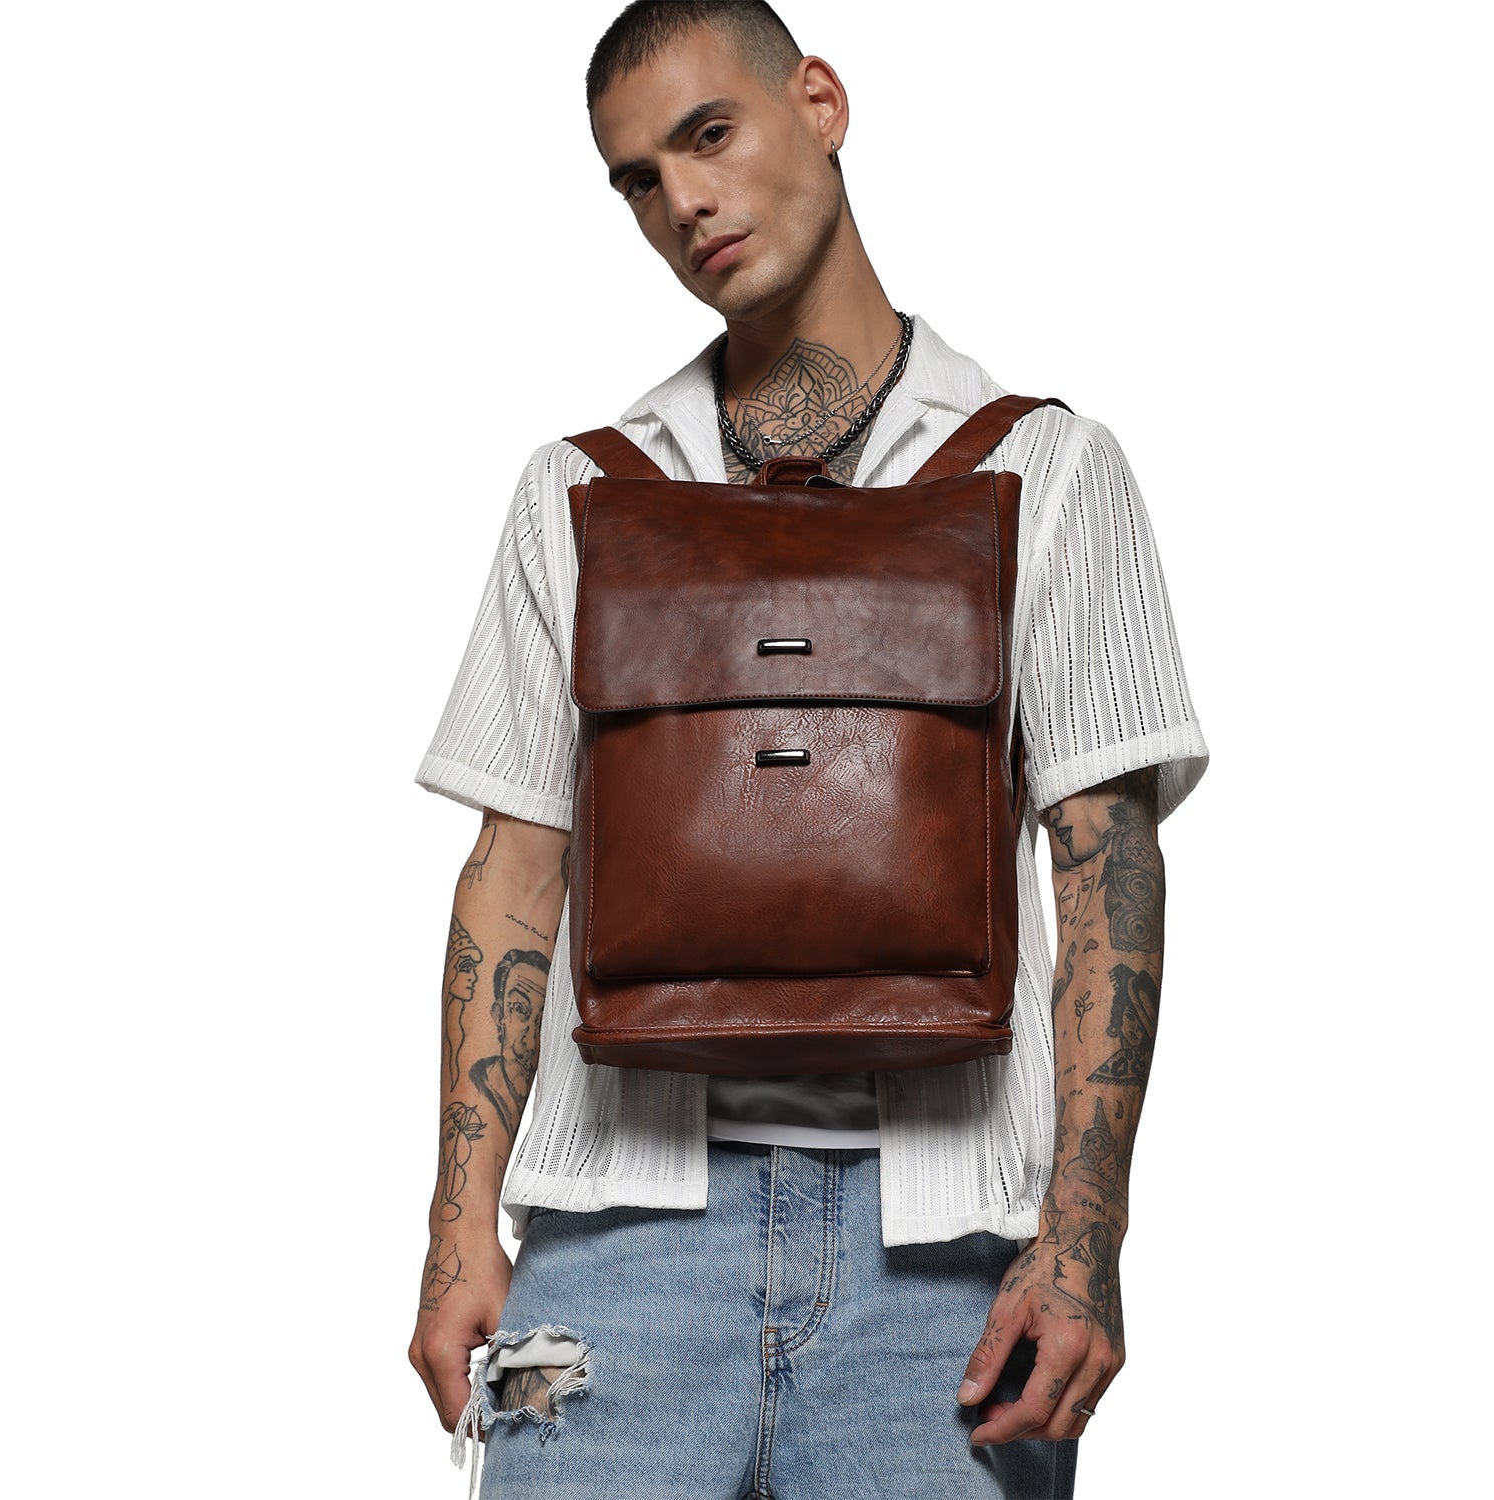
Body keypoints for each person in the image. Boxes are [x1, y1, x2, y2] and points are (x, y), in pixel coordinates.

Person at [406, 3, 1209, 1495]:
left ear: (822, 104)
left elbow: (1106, 865)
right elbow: (512, 868)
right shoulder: (580, 492)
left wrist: (1083, 1244)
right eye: (639, 179)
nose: (684, 201)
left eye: (709, 135)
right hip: (611, 1259)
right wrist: (457, 1236)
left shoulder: (1047, 469)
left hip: (949, 1279)